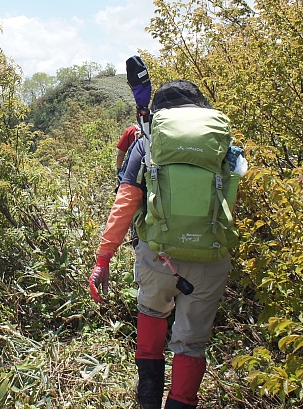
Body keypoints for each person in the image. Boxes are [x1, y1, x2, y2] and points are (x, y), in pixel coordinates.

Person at [89, 80, 246, 409]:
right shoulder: (222, 142)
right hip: (209, 259)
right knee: (191, 344)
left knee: (151, 311)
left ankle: (148, 400)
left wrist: (103, 260)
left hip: (158, 257)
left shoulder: (148, 141)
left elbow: (125, 204)